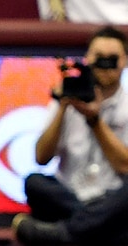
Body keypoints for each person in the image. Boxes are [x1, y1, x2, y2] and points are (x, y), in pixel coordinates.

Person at [14, 26, 128, 245]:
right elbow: (41, 157)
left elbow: (125, 166)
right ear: (87, 58)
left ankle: (65, 234)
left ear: (124, 61)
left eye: (111, 58)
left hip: (112, 198)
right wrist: (63, 107)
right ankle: (95, 229)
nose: (104, 65)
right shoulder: (69, 94)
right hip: (69, 196)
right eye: (99, 58)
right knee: (35, 183)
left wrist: (94, 120)